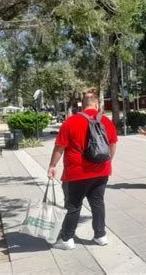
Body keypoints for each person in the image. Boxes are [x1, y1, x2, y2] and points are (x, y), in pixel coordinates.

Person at [47, 93, 118, 250]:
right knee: (98, 203)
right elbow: (113, 144)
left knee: (73, 206)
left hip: (76, 173)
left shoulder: (71, 121)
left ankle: (66, 239)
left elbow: (60, 146)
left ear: (82, 105)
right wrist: (108, 161)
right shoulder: (106, 121)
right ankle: (100, 236)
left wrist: (52, 165)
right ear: (97, 105)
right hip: (101, 171)